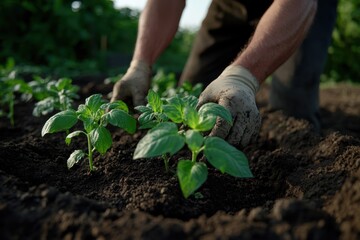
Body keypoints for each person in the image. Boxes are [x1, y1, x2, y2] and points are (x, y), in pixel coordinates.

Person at [111, 0, 338, 147]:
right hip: (229, 4)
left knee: (292, 111)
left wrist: (243, 77)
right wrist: (139, 65)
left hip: (299, 6)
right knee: (195, 99)